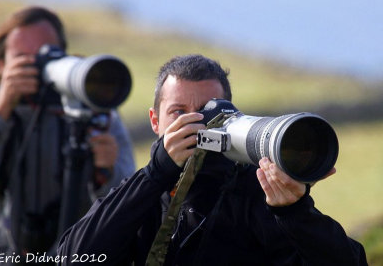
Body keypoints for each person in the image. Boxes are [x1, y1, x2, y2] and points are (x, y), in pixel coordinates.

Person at [57, 54, 367, 265]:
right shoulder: (143, 192)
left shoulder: (256, 194)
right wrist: (156, 174)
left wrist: (297, 214)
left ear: (232, 116)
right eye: (178, 113)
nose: (195, 123)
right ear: (155, 121)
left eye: (209, 111)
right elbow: (73, 257)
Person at [0, 6, 135, 261]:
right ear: (1, 64)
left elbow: (127, 205)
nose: (38, 66)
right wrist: (1, 111)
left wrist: (107, 173)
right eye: (23, 57)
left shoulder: (94, 112)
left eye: (47, 55)